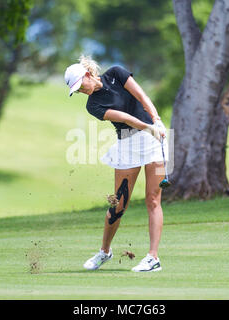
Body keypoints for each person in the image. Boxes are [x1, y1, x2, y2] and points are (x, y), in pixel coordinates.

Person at [64, 55, 168, 272]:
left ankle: (153, 257)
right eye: (77, 90)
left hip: (153, 142)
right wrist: (150, 128)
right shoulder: (93, 105)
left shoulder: (116, 74)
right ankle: (104, 251)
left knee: (153, 200)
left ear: (88, 74)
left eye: (80, 86)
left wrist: (156, 120)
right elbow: (126, 119)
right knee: (118, 204)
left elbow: (142, 96)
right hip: (128, 145)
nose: (82, 91)